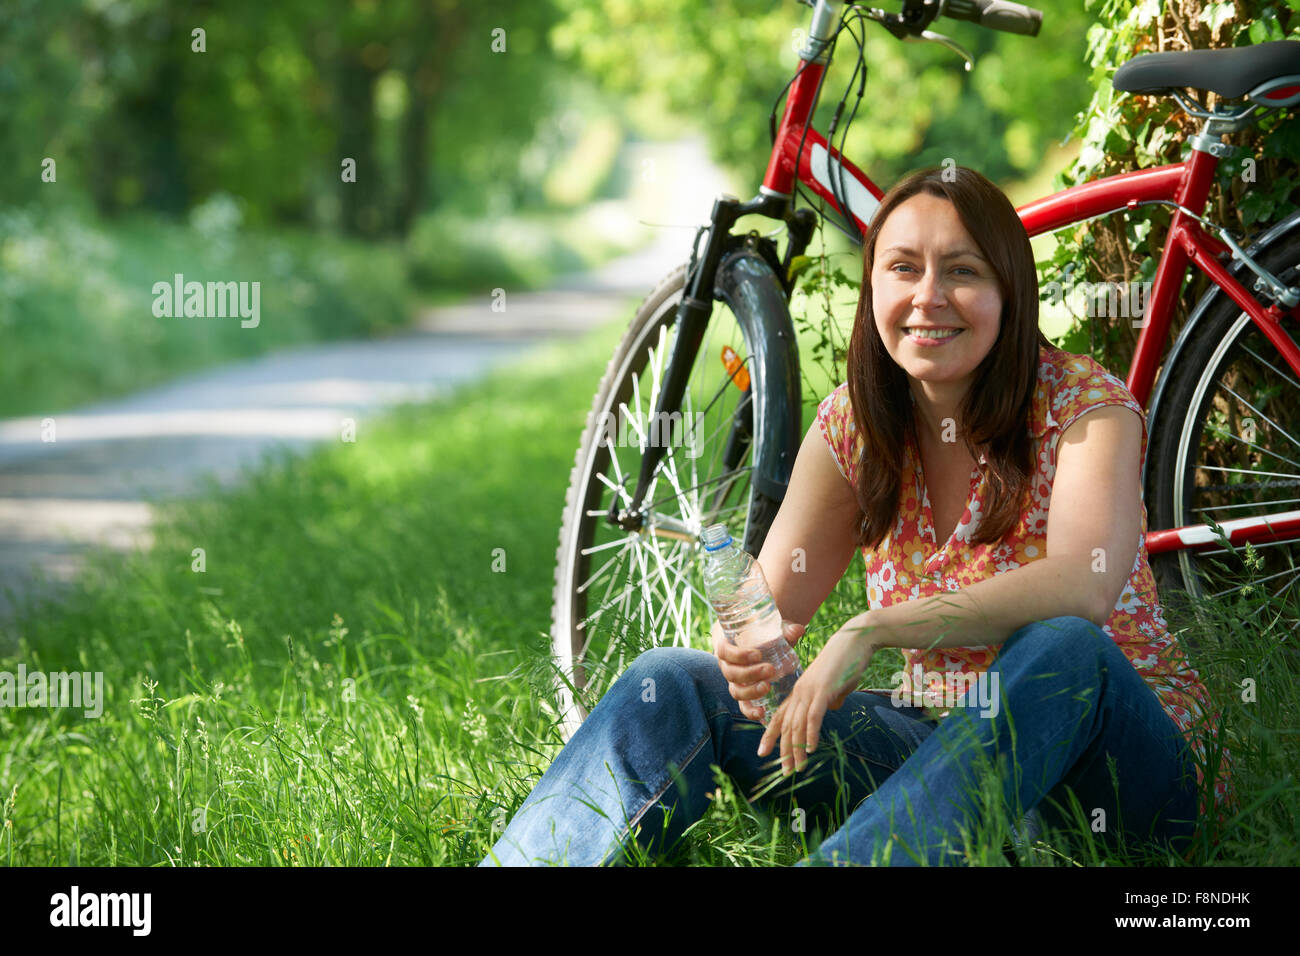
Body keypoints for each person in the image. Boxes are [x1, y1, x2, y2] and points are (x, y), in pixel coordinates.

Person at [479, 165, 1233, 867]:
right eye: (903, 268)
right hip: (943, 764)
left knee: (1066, 647)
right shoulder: (857, 427)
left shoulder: (1086, 408)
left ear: (1011, 292)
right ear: (873, 288)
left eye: (963, 271)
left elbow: (1082, 586)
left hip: (1117, 779)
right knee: (674, 681)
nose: (928, 296)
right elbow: (768, 611)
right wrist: (747, 648)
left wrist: (874, 628)